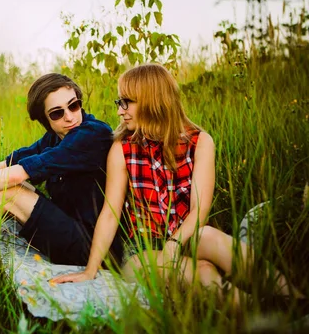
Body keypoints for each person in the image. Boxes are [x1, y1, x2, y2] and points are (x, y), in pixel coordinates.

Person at [52, 64, 303, 307]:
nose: (120, 111)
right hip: (142, 251)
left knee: (208, 234)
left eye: (126, 102)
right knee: (201, 271)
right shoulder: (122, 149)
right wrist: (90, 270)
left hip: (188, 236)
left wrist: (174, 245)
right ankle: (264, 315)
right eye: (120, 103)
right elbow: (110, 213)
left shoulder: (200, 142)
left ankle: (293, 299)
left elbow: (199, 211)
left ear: (152, 101)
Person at [0, 73, 121, 266]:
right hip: (66, 227)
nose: (69, 117)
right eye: (57, 113)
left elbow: (17, 174)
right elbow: (9, 163)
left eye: (73, 105)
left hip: (95, 247)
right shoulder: (56, 136)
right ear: (46, 120)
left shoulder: (92, 135)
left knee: (5, 194)